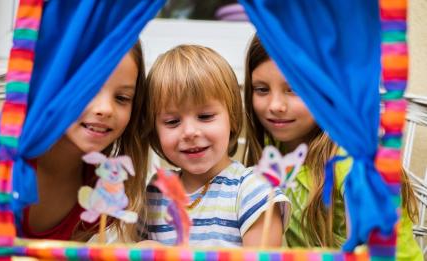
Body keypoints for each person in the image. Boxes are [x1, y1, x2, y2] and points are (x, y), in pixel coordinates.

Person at [243, 35, 422, 259]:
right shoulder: (275, 152)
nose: (275, 105)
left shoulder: (351, 160)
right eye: (261, 89)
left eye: (294, 89)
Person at [143, 44, 291, 247]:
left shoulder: (255, 190)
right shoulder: (156, 191)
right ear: (154, 130)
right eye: (172, 122)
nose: (189, 132)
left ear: (232, 117)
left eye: (205, 116)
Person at [21, 42, 149, 243]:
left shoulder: (101, 197)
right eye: (89, 89)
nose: (106, 109)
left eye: (122, 98)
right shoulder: (9, 164)